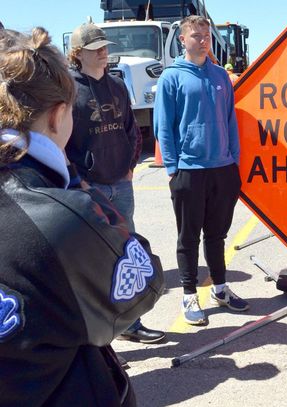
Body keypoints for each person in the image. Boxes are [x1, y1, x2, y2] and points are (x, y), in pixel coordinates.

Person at [0, 27, 164, 406]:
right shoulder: (63, 216)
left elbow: (128, 131)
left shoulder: (116, 87)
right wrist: (77, 187)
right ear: (58, 115)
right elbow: (144, 283)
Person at [66, 22, 165, 343]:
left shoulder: (118, 87)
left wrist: (130, 168)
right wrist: (77, 180)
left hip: (121, 185)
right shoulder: (68, 91)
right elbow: (62, 142)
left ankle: (130, 324)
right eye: (97, 49)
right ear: (78, 54)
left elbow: (132, 131)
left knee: (127, 255)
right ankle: (95, 334)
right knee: (93, 258)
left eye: (105, 48)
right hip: (88, 188)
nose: (104, 53)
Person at [154, 15, 248, 325]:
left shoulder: (221, 76)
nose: (203, 40)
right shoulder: (171, 77)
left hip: (222, 168)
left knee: (217, 236)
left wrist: (233, 160)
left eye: (206, 34)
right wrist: (172, 168)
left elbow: (231, 121)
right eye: (196, 35)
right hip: (189, 170)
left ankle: (220, 289)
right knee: (188, 236)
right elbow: (163, 127)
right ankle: (189, 294)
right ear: (183, 40)